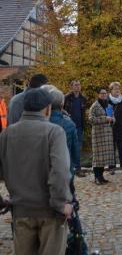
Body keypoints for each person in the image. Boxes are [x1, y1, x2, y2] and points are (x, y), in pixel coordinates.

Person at [0, 88, 72, 255]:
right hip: (50, 212)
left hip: (21, 210)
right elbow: (60, 171)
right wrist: (60, 203)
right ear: (47, 108)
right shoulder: (54, 132)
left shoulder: (6, 134)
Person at [41, 84, 79, 179]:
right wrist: (74, 165)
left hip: (44, 169)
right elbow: (75, 149)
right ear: (62, 104)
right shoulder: (69, 123)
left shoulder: (39, 122)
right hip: (65, 167)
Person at [89, 87, 115, 185]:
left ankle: (101, 177)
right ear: (98, 95)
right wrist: (104, 118)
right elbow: (91, 120)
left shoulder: (109, 105)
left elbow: (113, 117)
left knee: (104, 158)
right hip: (98, 134)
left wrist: (112, 119)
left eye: (105, 93)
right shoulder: (94, 106)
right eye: (102, 93)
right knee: (98, 157)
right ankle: (96, 177)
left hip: (107, 134)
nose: (104, 95)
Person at [64, 80, 87, 177]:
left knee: (78, 148)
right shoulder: (66, 98)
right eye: (75, 85)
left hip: (79, 127)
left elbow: (83, 113)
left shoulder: (83, 99)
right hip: (68, 127)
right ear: (71, 87)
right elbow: (62, 109)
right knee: (68, 148)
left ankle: (78, 169)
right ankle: (68, 169)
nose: (78, 87)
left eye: (79, 85)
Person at [108, 82, 122, 175]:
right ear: (111, 90)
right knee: (111, 148)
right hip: (111, 128)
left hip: (121, 128)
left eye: (118, 89)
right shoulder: (107, 101)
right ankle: (112, 168)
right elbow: (107, 114)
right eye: (115, 89)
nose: (117, 90)